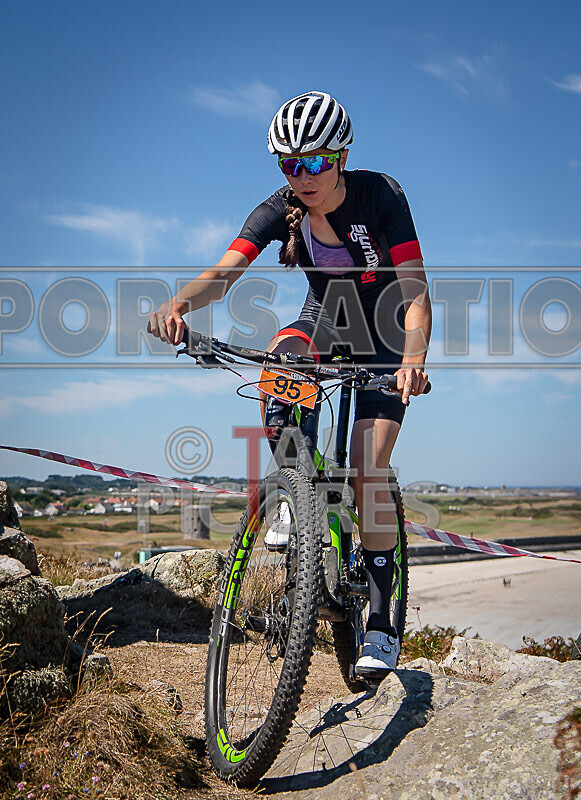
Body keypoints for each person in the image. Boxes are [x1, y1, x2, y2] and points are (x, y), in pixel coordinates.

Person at [150, 90, 431, 679]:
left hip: (382, 331)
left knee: (366, 467)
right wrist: (178, 304)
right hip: (324, 321)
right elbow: (225, 274)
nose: (299, 176)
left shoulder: (382, 195)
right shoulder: (280, 207)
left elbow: (415, 291)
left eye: (312, 163)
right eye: (287, 163)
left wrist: (411, 359)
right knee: (280, 363)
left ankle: (380, 620)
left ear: (341, 157)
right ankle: (296, 495)